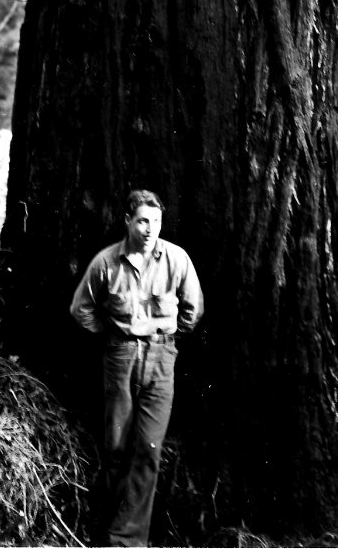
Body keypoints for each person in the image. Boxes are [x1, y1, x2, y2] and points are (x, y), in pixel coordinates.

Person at [70, 189, 204, 547]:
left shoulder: (176, 259)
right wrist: (113, 335)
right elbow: (81, 309)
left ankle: (125, 540)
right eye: (143, 220)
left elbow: (193, 311)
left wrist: (164, 339)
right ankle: (112, 525)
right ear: (128, 221)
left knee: (148, 449)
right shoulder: (106, 263)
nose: (150, 229)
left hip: (161, 360)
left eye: (156, 221)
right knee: (116, 448)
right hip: (121, 358)